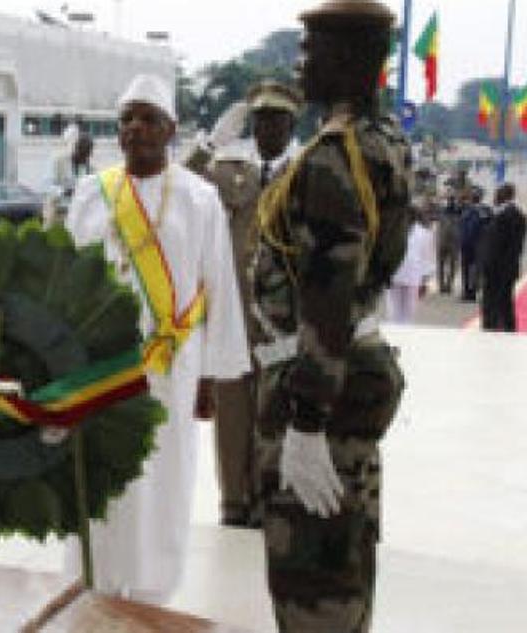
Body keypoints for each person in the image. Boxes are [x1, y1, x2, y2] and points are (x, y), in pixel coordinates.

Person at [250, 1, 412, 630]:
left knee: (313, 582)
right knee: (347, 558)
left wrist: (307, 422)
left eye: (309, 51)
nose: (300, 65)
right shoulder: (384, 139)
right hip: (355, 371)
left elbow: (328, 296)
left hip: (320, 384)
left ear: (347, 60)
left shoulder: (331, 158)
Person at [64, 74, 250, 605]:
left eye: (148, 118)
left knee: (162, 473)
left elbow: (219, 282)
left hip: (171, 362)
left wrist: (213, 374)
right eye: (127, 119)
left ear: (170, 130)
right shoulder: (91, 193)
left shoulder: (200, 197)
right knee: (100, 475)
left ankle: (152, 591)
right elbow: (67, 275)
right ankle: (93, 581)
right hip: (98, 364)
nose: (136, 129)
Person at [192, 79, 302, 528]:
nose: (266, 128)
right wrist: (208, 144)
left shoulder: (307, 172)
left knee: (278, 414)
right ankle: (234, 500)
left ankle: (269, 498)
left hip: (283, 324)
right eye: (259, 120)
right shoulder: (228, 170)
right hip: (234, 319)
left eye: (276, 120)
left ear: (292, 124)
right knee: (233, 414)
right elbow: (174, 182)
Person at [479, 183, 525, 332]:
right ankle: (500, 327)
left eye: (497, 194)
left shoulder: (512, 215)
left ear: (504, 195)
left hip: (501, 268)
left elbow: (511, 247)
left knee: (498, 300)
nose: (494, 197)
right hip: (498, 267)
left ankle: (496, 327)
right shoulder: (501, 214)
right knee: (500, 301)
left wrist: (499, 267)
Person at [386, 209, 436, 323]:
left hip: (407, 275)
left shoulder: (424, 233)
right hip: (401, 274)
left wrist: (425, 279)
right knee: (398, 311)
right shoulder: (393, 231)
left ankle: (402, 332)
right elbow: (427, 257)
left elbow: (427, 257)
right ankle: (398, 332)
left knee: (404, 311)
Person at [44, 129, 94, 226]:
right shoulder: (57, 160)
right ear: (76, 148)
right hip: (55, 213)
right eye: (83, 154)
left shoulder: (90, 169)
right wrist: (63, 192)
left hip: (75, 217)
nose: (86, 158)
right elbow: (46, 185)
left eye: (88, 155)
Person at [459, 186, 488, 301]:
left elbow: (487, 226)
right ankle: (466, 291)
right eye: (473, 195)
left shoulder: (485, 210)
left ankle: (472, 292)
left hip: (478, 244)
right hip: (466, 243)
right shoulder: (466, 209)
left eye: (476, 195)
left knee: (475, 269)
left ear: (480, 197)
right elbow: (463, 226)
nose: (474, 197)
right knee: (466, 268)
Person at [435, 187, 461, 294]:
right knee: (442, 263)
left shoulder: (459, 210)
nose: (450, 200)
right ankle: (442, 285)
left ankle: (448, 285)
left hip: (453, 241)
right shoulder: (441, 210)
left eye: (452, 198)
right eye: (449, 197)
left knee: (452, 264)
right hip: (443, 240)